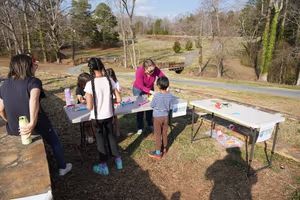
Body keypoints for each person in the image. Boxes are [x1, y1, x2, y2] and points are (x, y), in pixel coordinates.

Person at [0, 54, 72, 176]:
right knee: (54, 141)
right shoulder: (34, 82)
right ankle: (62, 167)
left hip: (14, 129)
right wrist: (32, 123)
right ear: (26, 65)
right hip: (36, 125)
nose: (35, 64)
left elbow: (1, 109)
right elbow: (33, 100)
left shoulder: (4, 85)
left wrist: (10, 121)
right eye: (32, 63)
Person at [84, 57, 122, 176]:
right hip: (109, 115)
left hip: (97, 118)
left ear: (90, 69)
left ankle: (103, 166)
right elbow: (119, 98)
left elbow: (89, 107)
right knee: (111, 137)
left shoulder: (90, 84)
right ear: (101, 66)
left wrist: (86, 101)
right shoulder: (109, 80)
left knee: (100, 141)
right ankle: (118, 161)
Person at [132, 59, 165, 135]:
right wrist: (151, 92)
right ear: (145, 68)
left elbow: (162, 77)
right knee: (140, 108)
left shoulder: (154, 69)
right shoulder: (139, 71)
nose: (152, 72)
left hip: (150, 89)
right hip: (138, 89)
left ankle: (150, 124)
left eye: (153, 70)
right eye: (149, 71)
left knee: (150, 107)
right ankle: (140, 127)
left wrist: (165, 85)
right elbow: (140, 85)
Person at [148, 76, 174, 159]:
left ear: (158, 86)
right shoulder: (170, 96)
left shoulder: (156, 95)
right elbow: (170, 107)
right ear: (167, 85)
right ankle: (165, 148)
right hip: (165, 117)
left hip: (157, 118)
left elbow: (152, 105)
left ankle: (158, 152)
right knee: (164, 133)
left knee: (158, 135)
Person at [75, 72, 95, 144]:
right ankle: (89, 135)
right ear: (82, 83)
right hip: (82, 109)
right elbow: (80, 99)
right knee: (87, 123)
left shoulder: (92, 86)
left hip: (92, 107)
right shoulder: (79, 89)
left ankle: (94, 134)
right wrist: (85, 100)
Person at [106, 68, 121, 137]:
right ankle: (110, 131)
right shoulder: (105, 82)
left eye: (111, 76)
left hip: (114, 101)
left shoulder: (116, 82)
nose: (109, 78)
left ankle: (117, 131)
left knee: (115, 117)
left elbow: (118, 92)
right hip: (107, 101)